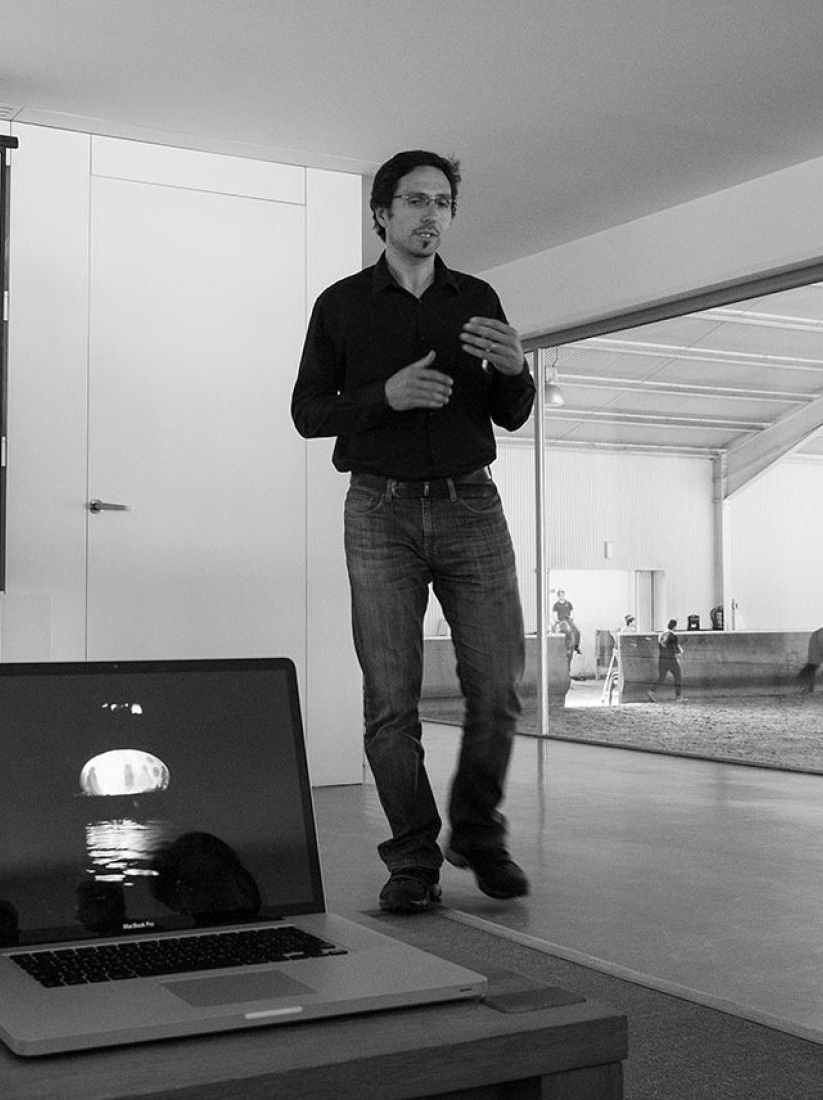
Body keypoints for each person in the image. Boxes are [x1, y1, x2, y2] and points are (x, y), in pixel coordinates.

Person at [290, 150, 534, 914]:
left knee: (495, 690)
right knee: (389, 704)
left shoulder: (478, 297)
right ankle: (412, 860)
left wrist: (516, 369)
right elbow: (307, 413)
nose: (430, 214)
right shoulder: (340, 305)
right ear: (382, 214)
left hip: (471, 509)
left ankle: (477, 831)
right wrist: (384, 396)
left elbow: (509, 413)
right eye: (414, 200)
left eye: (442, 202)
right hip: (379, 512)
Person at [647, 619, 684, 702]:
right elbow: (675, 649)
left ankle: (652, 691)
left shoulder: (661, 635)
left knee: (662, 678)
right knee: (677, 677)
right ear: (674, 626)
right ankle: (678, 696)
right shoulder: (673, 636)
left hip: (662, 659)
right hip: (671, 659)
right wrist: (679, 653)